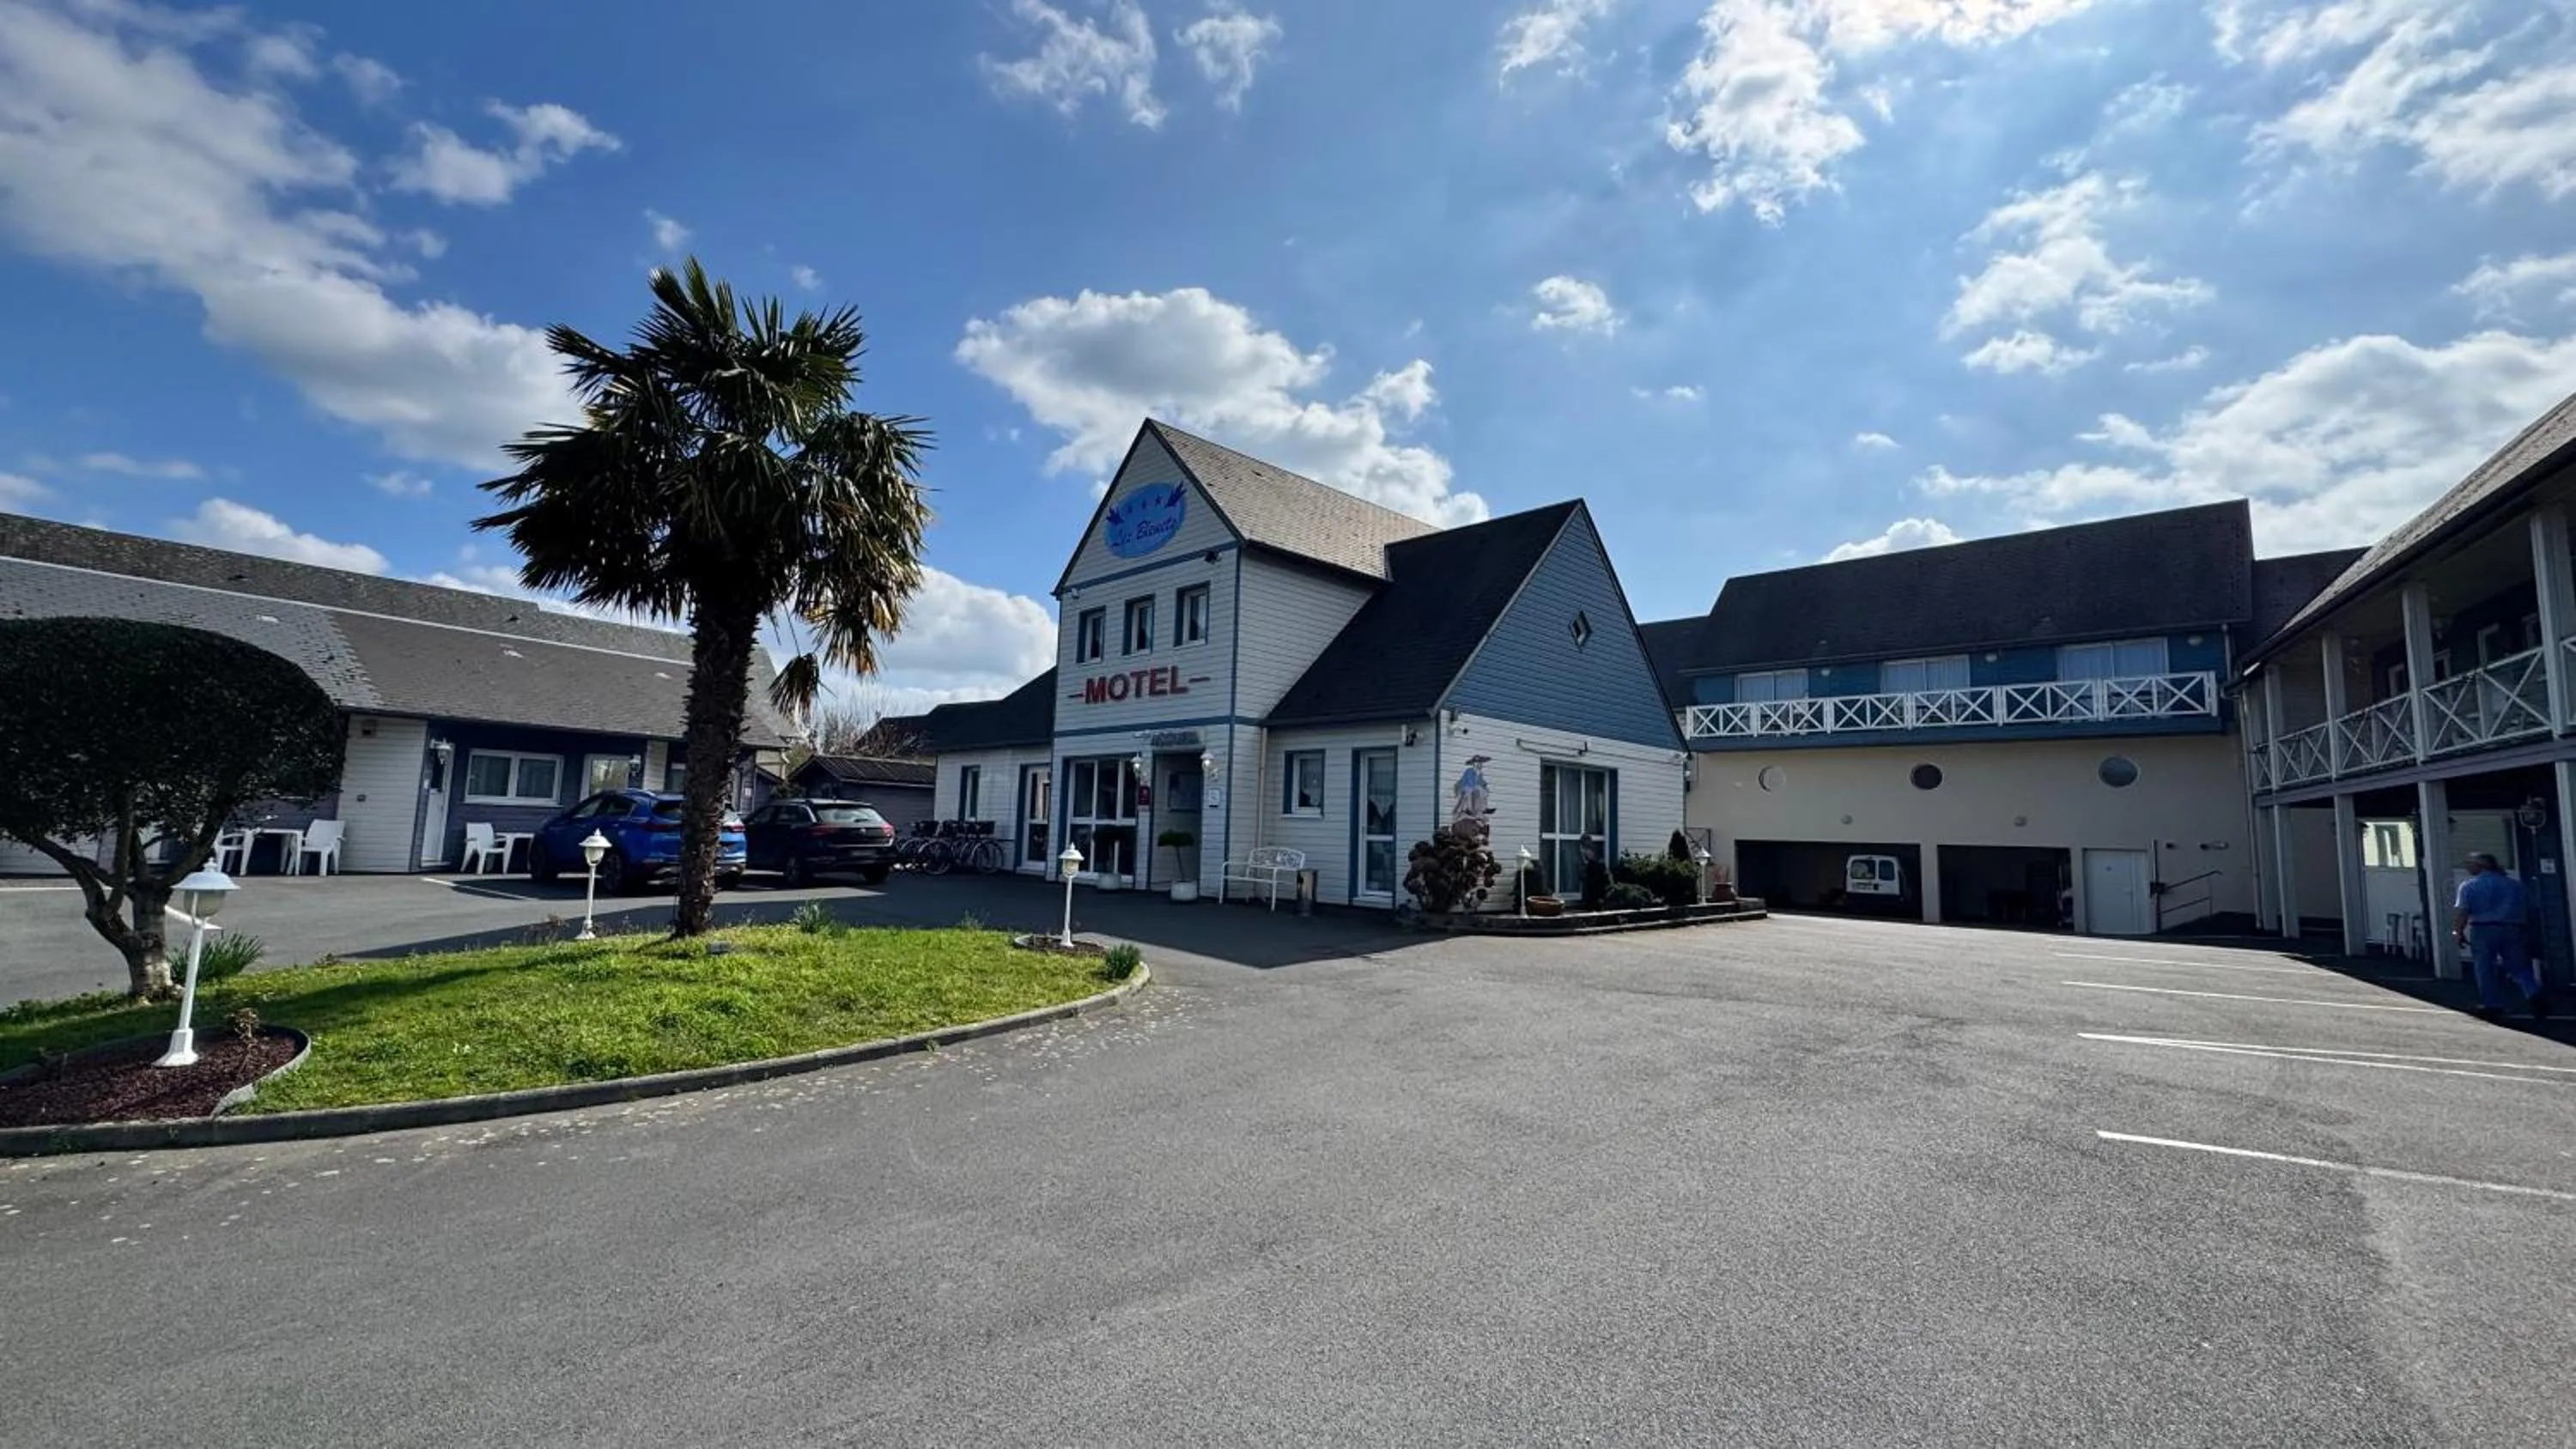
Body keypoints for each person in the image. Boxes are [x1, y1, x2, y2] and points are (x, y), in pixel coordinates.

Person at [2451, 853, 2552, 1021]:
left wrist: (2458, 932)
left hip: (2483, 929)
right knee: (2520, 967)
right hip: (2514, 927)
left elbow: (2463, 912)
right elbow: (2530, 909)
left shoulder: (2469, 886)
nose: (2467, 867)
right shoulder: (2515, 885)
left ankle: (2493, 1005)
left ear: (2480, 865)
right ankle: (2533, 993)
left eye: (2470, 863)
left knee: (2485, 968)